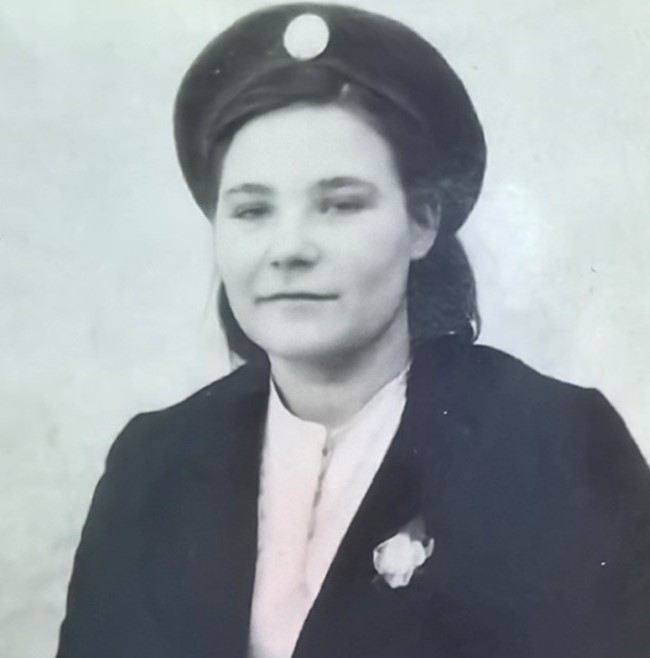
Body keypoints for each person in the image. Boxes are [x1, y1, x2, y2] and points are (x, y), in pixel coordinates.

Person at [56, 4, 650, 658]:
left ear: (422, 221)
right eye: (252, 211)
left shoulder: (555, 447)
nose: (288, 249)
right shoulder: (152, 464)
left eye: (339, 205)